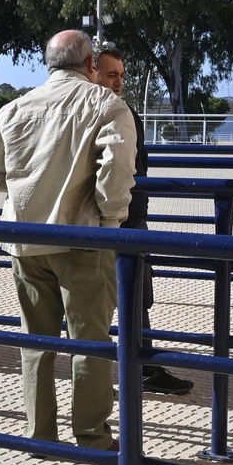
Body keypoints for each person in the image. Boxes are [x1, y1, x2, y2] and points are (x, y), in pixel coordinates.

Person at [0, 30, 137, 451]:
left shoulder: (13, 109)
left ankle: (39, 432)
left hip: (24, 239)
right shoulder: (106, 105)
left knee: (35, 340)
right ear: (90, 65)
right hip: (82, 238)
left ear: (48, 65)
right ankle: (92, 436)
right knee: (90, 342)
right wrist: (110, 218)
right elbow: (116, 173)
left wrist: (23, 192)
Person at [92, 41, 192, 395]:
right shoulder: (106, 112)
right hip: (118, 222)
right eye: (110, 74)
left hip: (127, 218)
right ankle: (133, 369)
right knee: (121, 298)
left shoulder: (120, 110)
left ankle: (143, 367)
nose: (118, 81)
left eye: (121, 75)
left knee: (135, 298)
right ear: (92, 72)